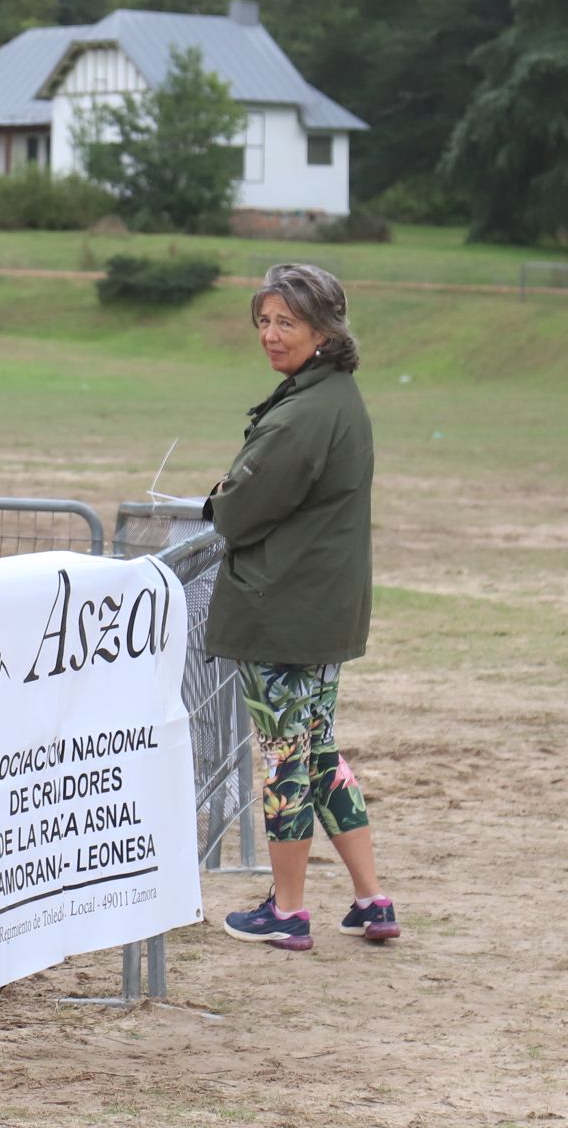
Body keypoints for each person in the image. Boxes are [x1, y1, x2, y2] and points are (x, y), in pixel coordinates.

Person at [202, 261, 395, 951]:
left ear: (323, 329)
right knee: (317, 754)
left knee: (285, 757)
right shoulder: (337, 396)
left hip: (284, 612)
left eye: (288, 322)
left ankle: (287, 911)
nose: (271, 334)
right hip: (321, 611)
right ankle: (373, 900)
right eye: (264, 320)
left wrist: (220, 497)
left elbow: (239, 512)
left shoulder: (306, 412)